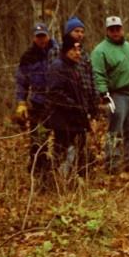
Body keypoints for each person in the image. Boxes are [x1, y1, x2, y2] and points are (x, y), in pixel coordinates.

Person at [92, 16, 129, 172]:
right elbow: (98, 74)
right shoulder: (100, 51)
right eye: (112, 30)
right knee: (115, 131)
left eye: (118, 29)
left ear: (122, 29)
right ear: (107, 31)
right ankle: (112, 164)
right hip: (116, 95)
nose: (116, 32)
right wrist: (104, 94)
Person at [15, 22, 58, 176]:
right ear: (34, 38)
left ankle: (60, 171)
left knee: (61, 138)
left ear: (49, 35)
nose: (41, 40)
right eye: (38, 37)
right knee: (38, 140)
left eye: (44, 36)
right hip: (38, 103)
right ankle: (39, 172)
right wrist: (21, 102)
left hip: (59, 102)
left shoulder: (58, 51)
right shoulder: (28, 57)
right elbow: (21, 81)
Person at [47, 36, 91, 182]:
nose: (78, 53)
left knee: (77, 151)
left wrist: (83, 111)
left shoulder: (74, 67)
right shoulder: (57, 67)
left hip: (75, 120)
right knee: (63, 152)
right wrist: (73, 106)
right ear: (66, 50)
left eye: (79, 49)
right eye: (74, 49)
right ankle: (58, 182)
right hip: (63, 121)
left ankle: (72, 181)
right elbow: (55, 93)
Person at [63, 16, 99, 120]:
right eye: (76, 31)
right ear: (68, 32)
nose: (80, 34)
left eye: (82, 32)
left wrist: (95, 99)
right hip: (68, 106)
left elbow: (92, 77)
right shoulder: (58, 51)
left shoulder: (85, 54)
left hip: (85, 104)